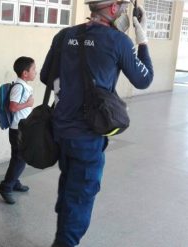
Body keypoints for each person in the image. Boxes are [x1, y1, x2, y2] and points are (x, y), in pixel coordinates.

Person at [40, 1, 154, 246]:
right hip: (88, 136)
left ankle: (63, 235)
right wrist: (142, 41)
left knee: (69, 184)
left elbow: (44, 76)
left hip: (60, 130)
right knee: (80, 195)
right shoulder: (119, 41)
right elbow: (144, 80)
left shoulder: (64, 35)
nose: (125, 12)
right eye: (123, 7)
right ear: (113, 9)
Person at [0, 56, 36, 204]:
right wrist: (28, 104)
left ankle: (14, 182)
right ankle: (6, 187)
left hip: (21, 127)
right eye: (33, 69)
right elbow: (12, 107)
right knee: (20, 159)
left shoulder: (23, 85)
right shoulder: (19, 87)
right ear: (25, 73)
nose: (35, 72)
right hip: (18, 129)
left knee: (17, 158)